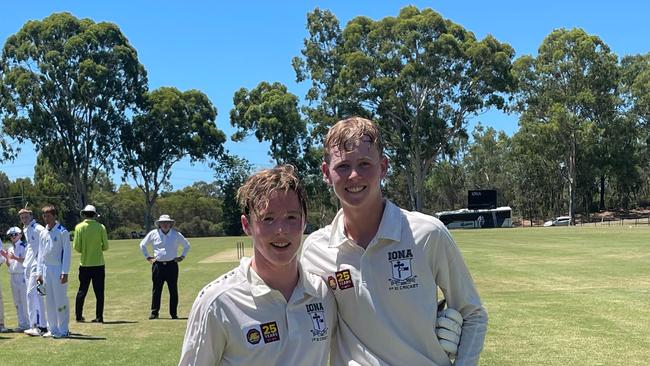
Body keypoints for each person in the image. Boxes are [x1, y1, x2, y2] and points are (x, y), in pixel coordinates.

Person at [301, 117, 488, 366]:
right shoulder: (315, 250)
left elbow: (473, 313)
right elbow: (307, 327)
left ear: (384, 167)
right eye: (343, 166)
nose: (354, 175)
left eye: (365, 164)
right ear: (326, 173)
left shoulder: (427, 233)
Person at [179, 165, 336, 366]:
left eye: (292, 217)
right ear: (247, 225)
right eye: (268, 219)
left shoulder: (323, 293)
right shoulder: (217, 302)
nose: (281, 230)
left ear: (304, 221)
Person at [140, 214, 190, 320]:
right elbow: (142, 245)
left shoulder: (176, 234)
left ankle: (173, 313)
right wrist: (148, 257)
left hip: (172, 265)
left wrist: (182, 256)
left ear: (171, 224)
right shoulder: (153, 234)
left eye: (167, 223)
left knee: (173, 290)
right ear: (159, 224)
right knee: (156, 289)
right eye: (163, 223)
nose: (165, 224)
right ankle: (154, 313)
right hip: (158, 265)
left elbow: (187, 245)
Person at [37, 204, 72, 339]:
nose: (46, 218)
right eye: (44, 216)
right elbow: (40, 254)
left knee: (60, 300)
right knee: (49, 301)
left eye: (49, 216)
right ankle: (53, 329)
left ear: (54, 216)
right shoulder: (43, 232)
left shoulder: (62, 232)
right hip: (46, 269)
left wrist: (65, 272)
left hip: (58, 269)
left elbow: (67, 254)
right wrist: (39, 273)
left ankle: (64, 329)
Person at [73, 204, 109, 323]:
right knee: (99, 292)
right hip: (98, 264)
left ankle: (78, 316)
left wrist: (85, 249)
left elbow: (77, 247)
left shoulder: (79, 227)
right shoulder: (101, 227)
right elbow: (106, 246)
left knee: (82, 290)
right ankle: (99, 317)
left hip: (84, 264)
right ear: (94, 215)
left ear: (84, 214)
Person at [18, 208, 48, 336]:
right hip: (28, 266)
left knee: (34, 295)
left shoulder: (38, 228)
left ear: (31, 216)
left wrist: (41, 262)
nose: (24, 219)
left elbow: (47, 240)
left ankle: (39, 326)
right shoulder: (25, 228)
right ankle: (38, 325)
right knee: (32, 296)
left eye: (26, 217)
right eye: (22, 218)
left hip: (37, 266)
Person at [2, 227, 29, 332]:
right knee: (17, 302)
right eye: (11, 235)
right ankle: (21, 324)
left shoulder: (24, 246)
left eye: (15, 234)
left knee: (24, 300)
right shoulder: (10, 248)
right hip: (13, 276)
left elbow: (26, 261)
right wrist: (7, 258)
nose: (13, 237)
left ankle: (29, 323)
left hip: (22, 275)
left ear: (20, 235)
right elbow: (9, 264)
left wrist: (15, 258)